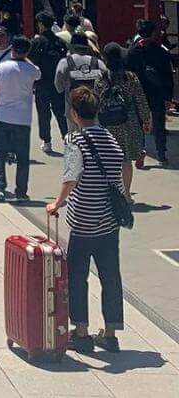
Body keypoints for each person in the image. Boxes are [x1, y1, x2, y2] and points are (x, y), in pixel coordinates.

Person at [46, 87, 126, 354]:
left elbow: (71, 176)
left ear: (74, 113)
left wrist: (57, 203)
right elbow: (121, 174)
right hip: (108, 222)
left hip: (82, 221)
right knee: (111, 276)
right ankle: (111, 333)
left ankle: (81, 333)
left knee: (78, 277)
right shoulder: (112, 141)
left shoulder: (74, 140)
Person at [0, 35, 40, 203]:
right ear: (27, 52)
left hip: (2, 115)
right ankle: (21, 191)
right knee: (23, 156)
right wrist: (27, 58)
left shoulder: (1, 68)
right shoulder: (32, 70)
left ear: (12, 49)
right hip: (22, 118)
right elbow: (38, 73)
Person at [100, 43, 151, 195]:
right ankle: (126, 193)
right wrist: (146, 120)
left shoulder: (101, 77)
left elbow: (96, 101)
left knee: (108, 160)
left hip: (107, 123)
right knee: (125, 159)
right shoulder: (130, 77)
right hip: (128, 121)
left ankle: (110, 193)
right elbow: (141, 100)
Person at [126, 19, 174, 167]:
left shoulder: (132, 52)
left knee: (139, 124)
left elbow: (127, 74)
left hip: (138, 92)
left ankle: (140, 153)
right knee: (159, 124)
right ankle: (161, 154)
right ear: (154, 33)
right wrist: (168, 97)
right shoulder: (161, 51)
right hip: (158, 93)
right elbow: (168, 75)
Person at [29, 11, 69, 153]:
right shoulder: (60, 42)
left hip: (42, 81)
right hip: (58, 82)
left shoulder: (36, 42)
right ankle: (66, 137)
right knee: (60, 111)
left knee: (44, 112)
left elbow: (30, 59)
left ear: (40, 24)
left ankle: (47, 141)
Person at [56, 32, 109, 131]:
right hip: (94, 110)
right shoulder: (98, 63)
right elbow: (107, 83)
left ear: (72, 46)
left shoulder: (64, 63)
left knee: (74, 141)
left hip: (73, 111)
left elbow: (59, 87)